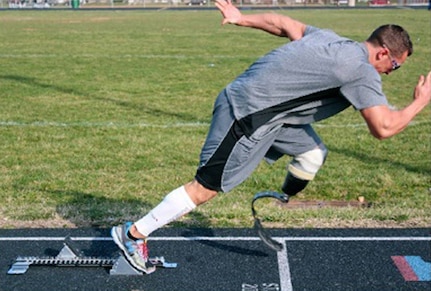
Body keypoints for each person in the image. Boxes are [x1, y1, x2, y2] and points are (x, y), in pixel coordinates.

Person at [111, 0, 431, 273]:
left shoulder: (333, 40)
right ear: (384, 53)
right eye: (396, 66)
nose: (391, 73)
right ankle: (134, 234)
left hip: (274, 117)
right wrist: (419, 102)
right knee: (205, 188)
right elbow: (383, 128)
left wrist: (240, 18)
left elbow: (283, 22)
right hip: (246, 114)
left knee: (312, 152)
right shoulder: (360, 70)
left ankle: (283, 198)